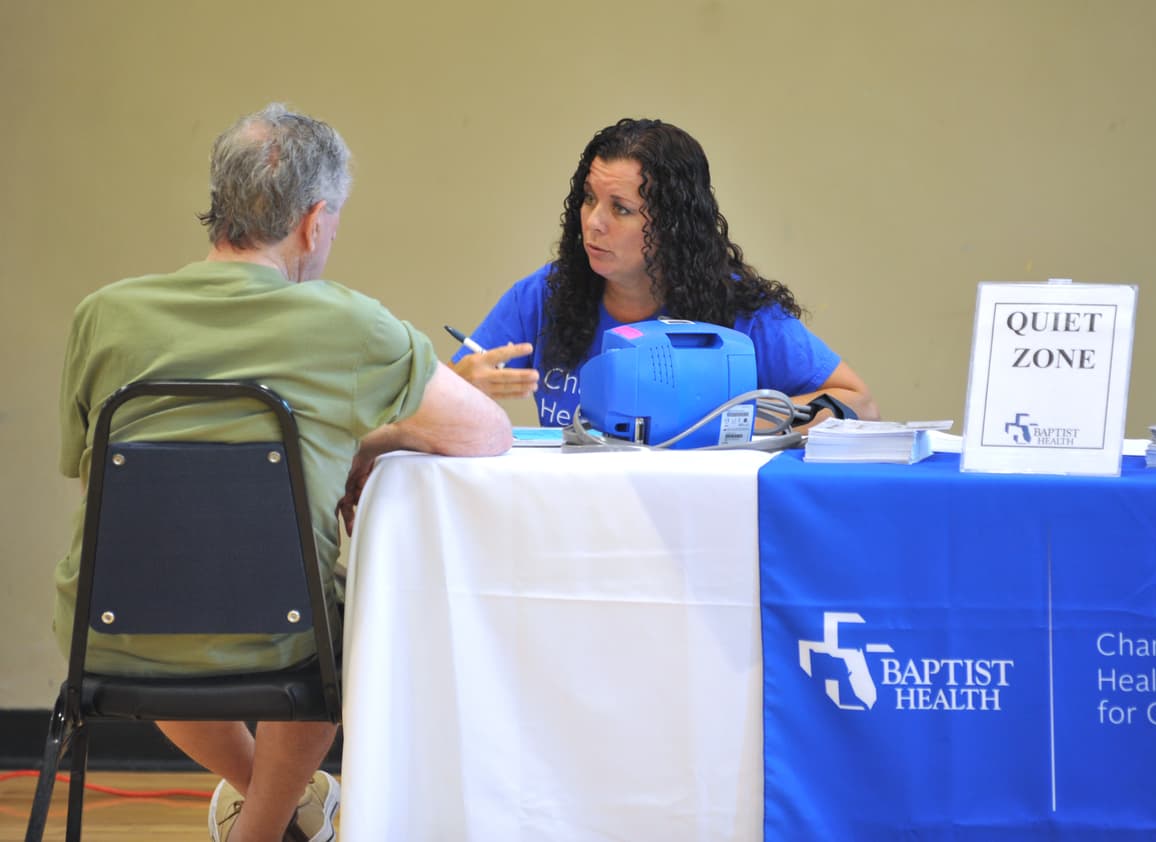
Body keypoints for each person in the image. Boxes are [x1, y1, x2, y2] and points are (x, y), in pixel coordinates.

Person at [55, 103, 511, 842]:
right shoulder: (351, 324)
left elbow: (98, 487)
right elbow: (487, 432)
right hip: (285, 639)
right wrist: (375, 437)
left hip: (112, 631)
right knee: (342, 623)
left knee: (160, 586)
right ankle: (262, 831)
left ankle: (269, 816)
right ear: (314, 221)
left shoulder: (101, 315)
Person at [448, 117, 879, 430]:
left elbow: (858, 402)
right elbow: (437, 398)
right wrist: (460, 385)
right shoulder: (543, 295)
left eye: (621, 209)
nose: (593, 222)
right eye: (589, 199)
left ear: (673, 225)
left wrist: (727, 423)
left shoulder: (738, 308)